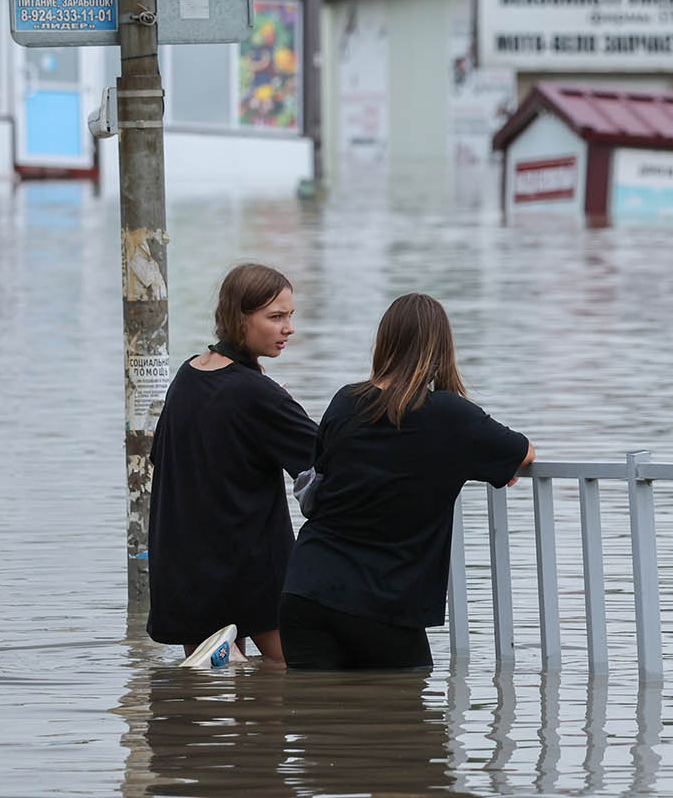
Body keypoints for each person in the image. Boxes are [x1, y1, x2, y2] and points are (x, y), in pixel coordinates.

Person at [280, 293, 535, 670]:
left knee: (319, 718)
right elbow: (524, 452)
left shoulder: (345, 401)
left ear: (386, 342)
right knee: (409, 721)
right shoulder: (450, 415)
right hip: (382, 602)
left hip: (306, 588)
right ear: (441, 349)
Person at [146, 263, 318, 666]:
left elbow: (164, 457)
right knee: (288, 678)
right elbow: (330, 456)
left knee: (212, 695)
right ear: (239, 320)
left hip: (185, 571)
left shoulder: (188, 375)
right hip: (252, 570)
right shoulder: (259, 394)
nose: (288, 328)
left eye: (290, 316)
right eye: (275, 317)